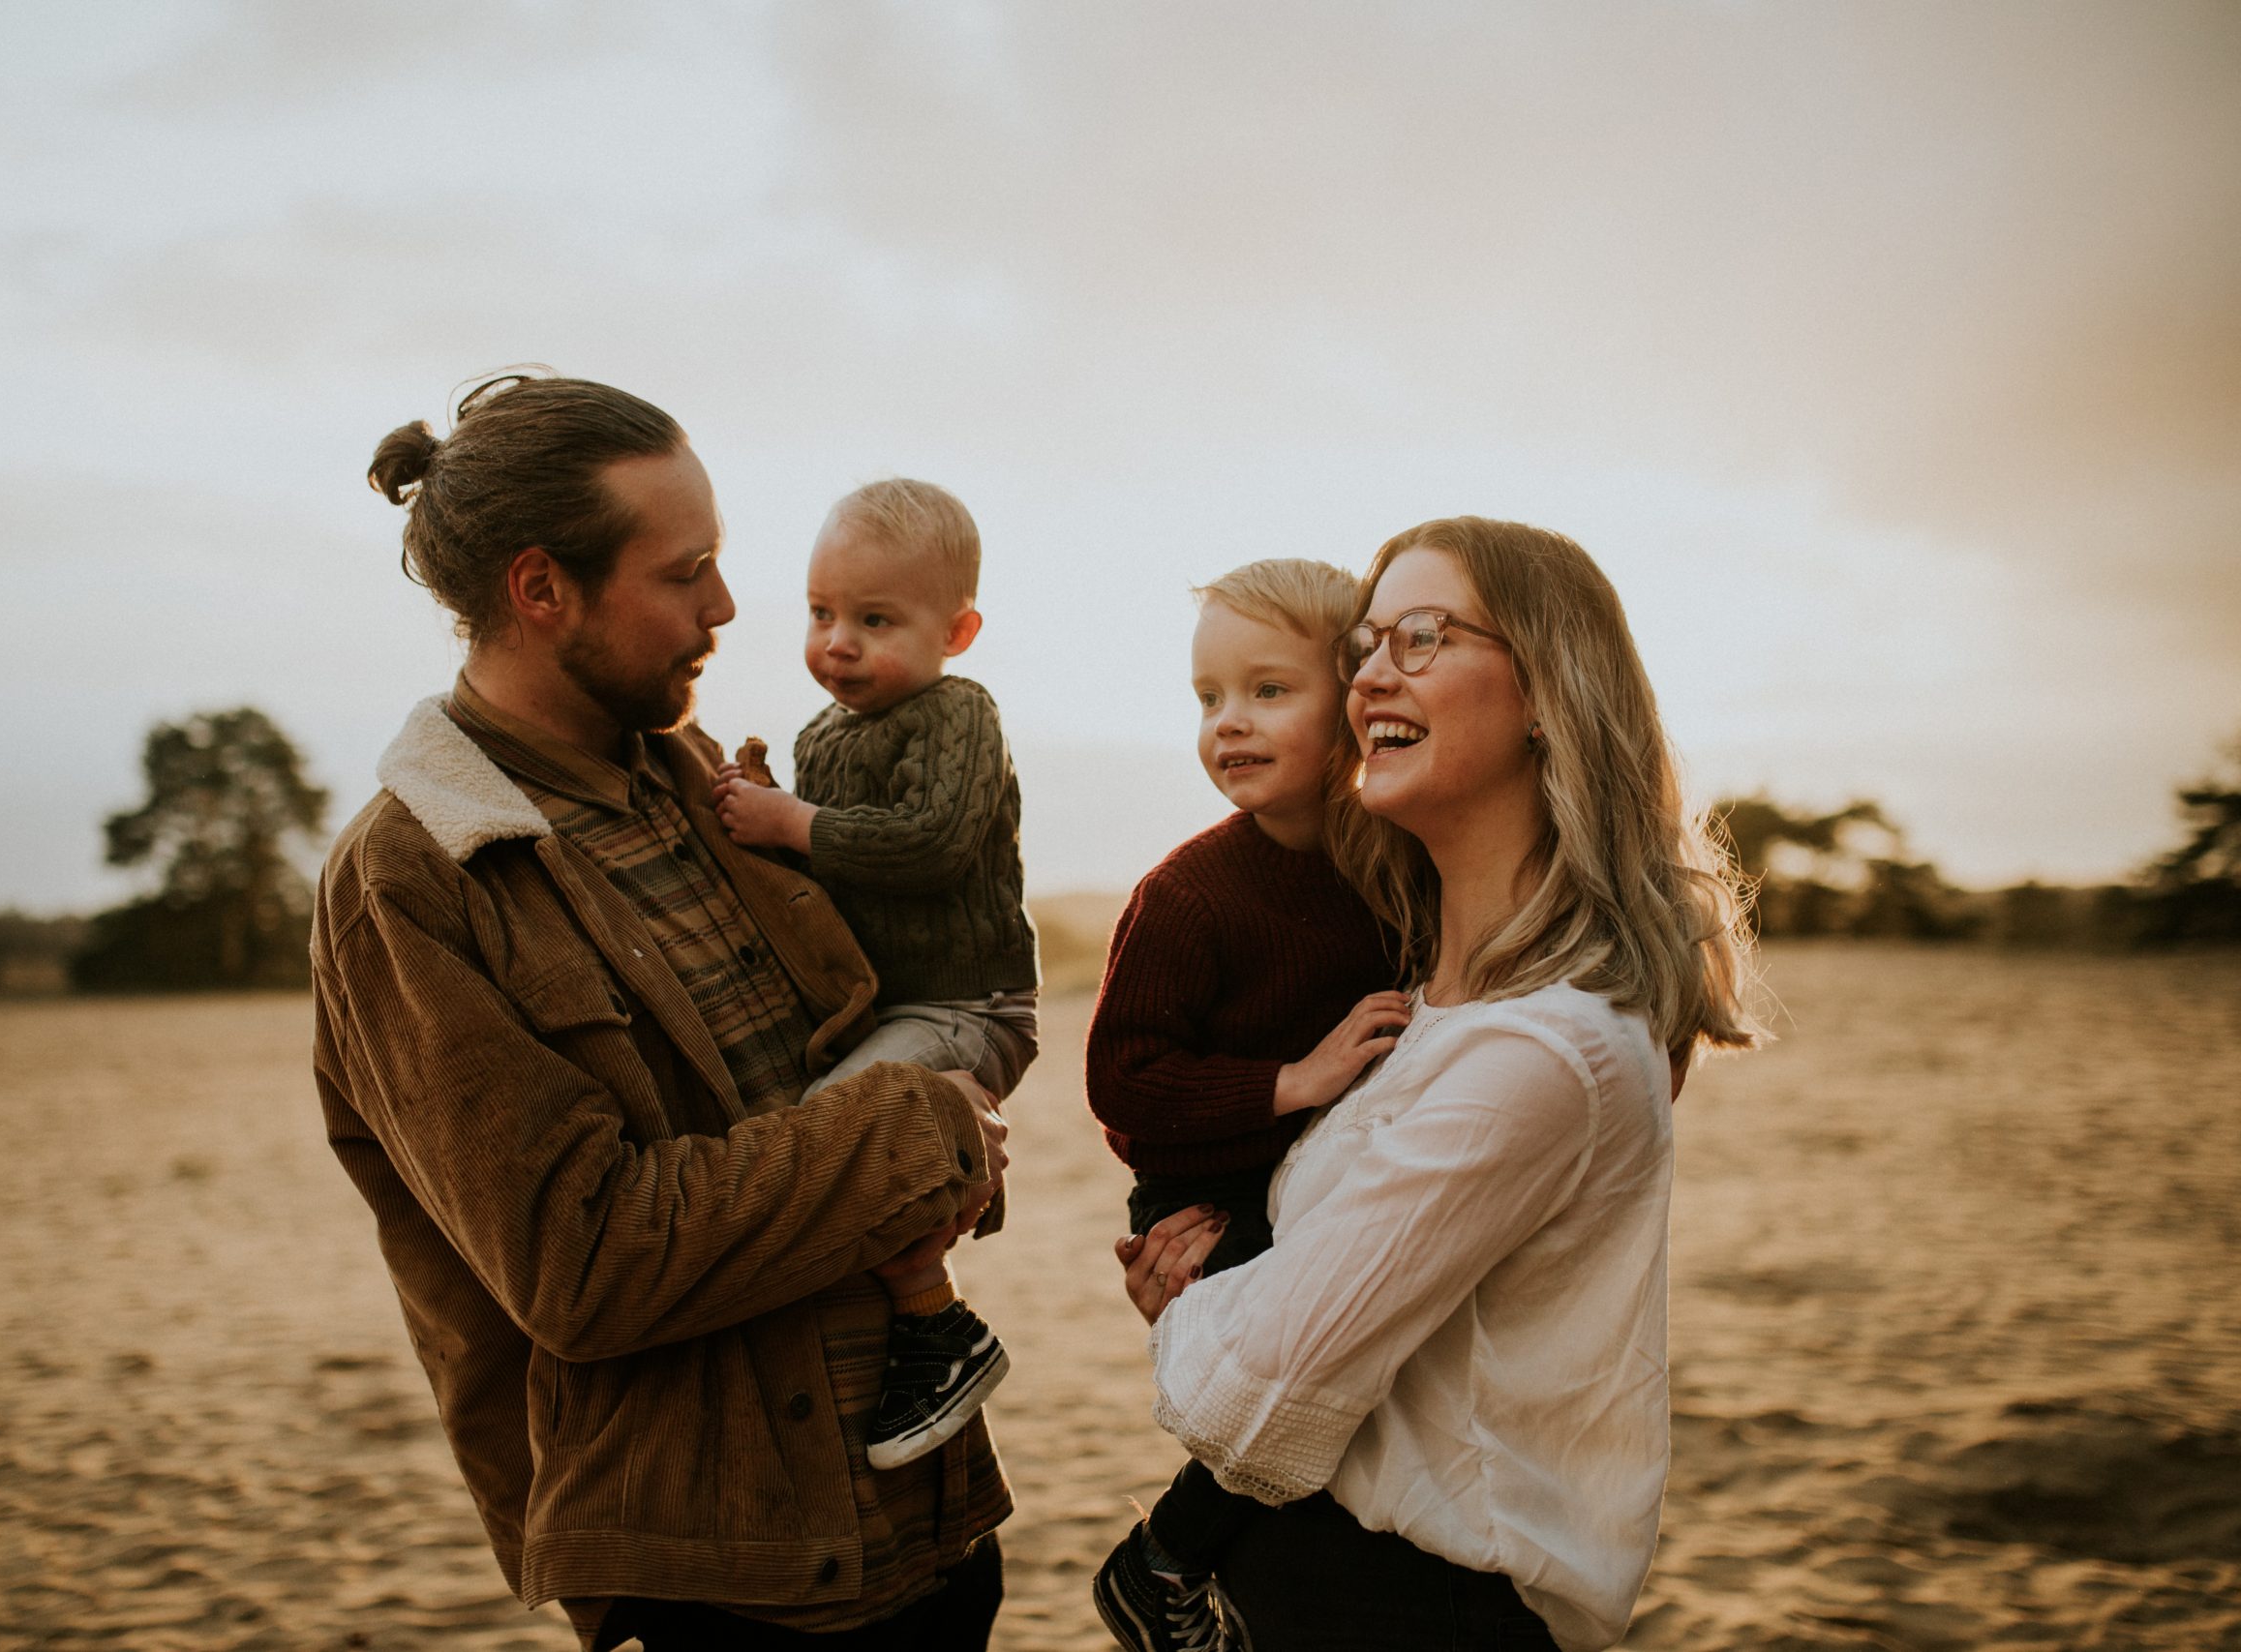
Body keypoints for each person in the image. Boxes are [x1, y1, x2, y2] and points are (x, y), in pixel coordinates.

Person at [310, 373, 1013, 1652]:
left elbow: (870, 1059)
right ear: (540, 589)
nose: (727, 608)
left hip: (930, 1528)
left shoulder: (708, 785)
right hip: (722, 1587)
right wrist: (919, 1131)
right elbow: (585, 1263)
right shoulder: (416, 876)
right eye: (685, 572)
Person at [1120, 517, 1761, 1652]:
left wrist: (1191, 1296)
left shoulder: (1538, 1051)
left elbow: (1246, 1405)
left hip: (1410, 1611)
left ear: (1543, 694)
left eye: (1420, 635)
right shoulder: (1421, 1007)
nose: (1370, 673)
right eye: (1363, 645)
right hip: (1305, 1590)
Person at [1081, 559, 1406, 1651]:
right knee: (1294, 1375)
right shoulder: (1187, 896)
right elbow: (1122, 1083)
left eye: (1267, 691)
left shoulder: (1400, 869)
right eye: (1206, 698)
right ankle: (1157, 1563)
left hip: (1327, 1181)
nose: (1228, 723)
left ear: (1356, 702)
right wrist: (1295, 1081)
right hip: (1203, 1190)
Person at [711, 478, 1041, 1470]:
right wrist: (770, 815)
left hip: (967, 1004)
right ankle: (931, 1218)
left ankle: (938, 1327)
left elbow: (930, 843)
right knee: (803, 1118)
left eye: (875, 619)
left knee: (838, 1122)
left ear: (959, 630)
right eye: (821, 614)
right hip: (887, 1006)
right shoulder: (821, 738)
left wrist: (793, 825)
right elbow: (831, 869)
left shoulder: (957, 715)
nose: (838, 641)